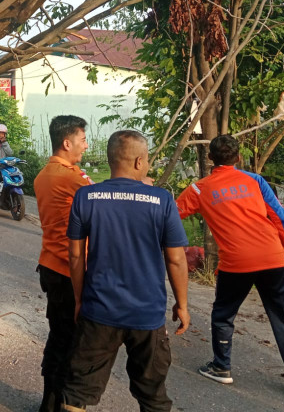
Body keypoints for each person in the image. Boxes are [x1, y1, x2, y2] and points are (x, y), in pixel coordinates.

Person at [61, 130, 190, 412]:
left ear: (110, 160)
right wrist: (182, 305)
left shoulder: (86, 197)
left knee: (78, 391)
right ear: (138, 162)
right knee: (153, 395)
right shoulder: (162, 200)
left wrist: (80, 300)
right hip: (147, 315)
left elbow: (74, 255)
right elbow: (177, 260)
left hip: (99, 312)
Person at [176, 134, 284, 396]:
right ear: (238, 158)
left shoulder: (199, 189)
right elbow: (278, 215)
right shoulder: (255, 181)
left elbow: (171, 213)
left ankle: (221, 368)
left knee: (224, 314)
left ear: (210, 159)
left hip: (237, 263)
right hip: (273, 256)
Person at [33, 115, 92, 412]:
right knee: (69, 340)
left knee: (59, 335)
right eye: (82, 140)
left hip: (51, 264)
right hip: (68, 269)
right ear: (67, 143)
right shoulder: (70, 178)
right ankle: (58, 404)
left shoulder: (45, 174)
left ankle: (50, 401)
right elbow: (103, 204)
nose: (86, 145)